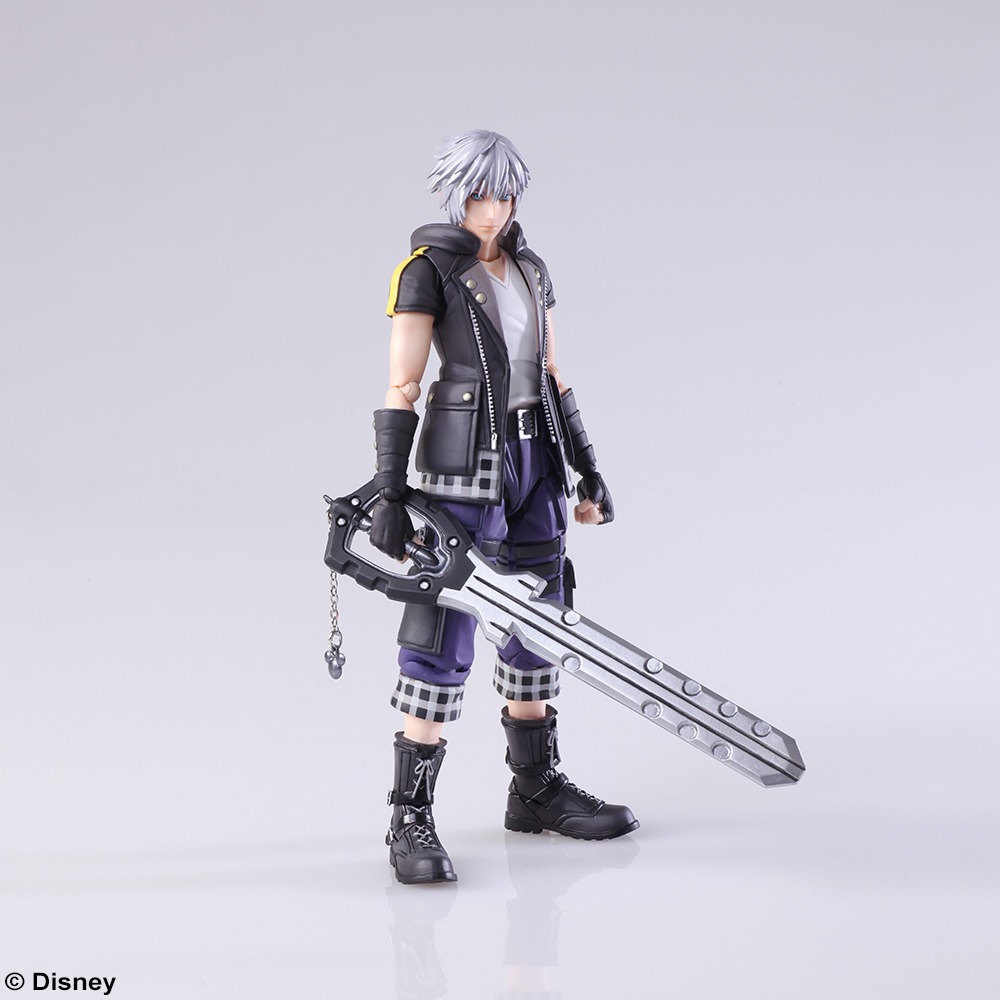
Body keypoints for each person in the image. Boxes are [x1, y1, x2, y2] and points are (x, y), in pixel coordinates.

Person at [370, 130, 638, 885]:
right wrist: (391, 491)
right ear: (457, 195)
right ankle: (410, 817)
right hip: (461, 469)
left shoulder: (530, 268)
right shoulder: (427, 272)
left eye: (506, 193)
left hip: (534, 464)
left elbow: (550, 373)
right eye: (481, 193)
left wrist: (587, 467)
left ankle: (536, 789)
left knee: (541, 619)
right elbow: (402, 384)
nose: (494, 208)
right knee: (444, 624)